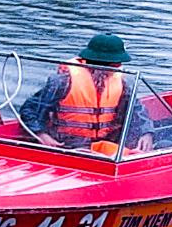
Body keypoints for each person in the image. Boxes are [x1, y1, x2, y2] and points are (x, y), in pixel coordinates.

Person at [21, 33, 153, 152]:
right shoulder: (63, 81)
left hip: (105, 145)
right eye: (116, 65)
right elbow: (29, 110)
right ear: (102, 64)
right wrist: (41, 135)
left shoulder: (121, 83)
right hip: (67, 146)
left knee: (156, 146)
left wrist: (146, 133)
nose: (118, 69)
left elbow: (136, 110)